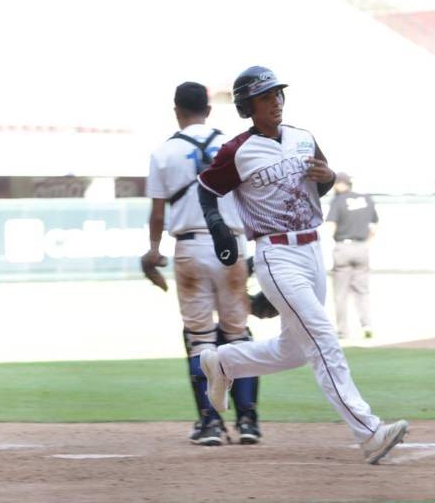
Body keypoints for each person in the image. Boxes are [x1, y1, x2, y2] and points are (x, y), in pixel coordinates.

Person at [196, 66, 408, 464]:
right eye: (265, 96)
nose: (275, 100)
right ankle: (370, 432)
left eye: (278, 93)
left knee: (292, 350)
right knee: (324, 338)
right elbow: (206, 189)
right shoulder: (236, 151)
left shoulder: (303, 138)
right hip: (276, 256)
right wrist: (220, 230)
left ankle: (221, 361)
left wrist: (327, 177)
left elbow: (321, 182)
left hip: (313, 251)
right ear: (246, 106)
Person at [141, 81, 260, 446]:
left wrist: (152, 250)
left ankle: (209, 423)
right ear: (209, 110)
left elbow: (158, 212)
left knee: (199, 339)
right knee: (238, 335)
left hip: (190, 247)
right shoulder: (234, 145)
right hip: (231, 244)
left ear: (176, 110)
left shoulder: (164, 152)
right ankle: (248, 422)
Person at [325, 172, 379, 340]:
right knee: (362, 291)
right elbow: (375, 225)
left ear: (340, 184)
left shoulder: (338, 201)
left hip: (343, 247)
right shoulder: (367, 199)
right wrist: (366, 242)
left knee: (341, 293)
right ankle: (367, 325)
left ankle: (343, 331)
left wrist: (331, 244)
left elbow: (330, 226)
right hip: (362, 247)